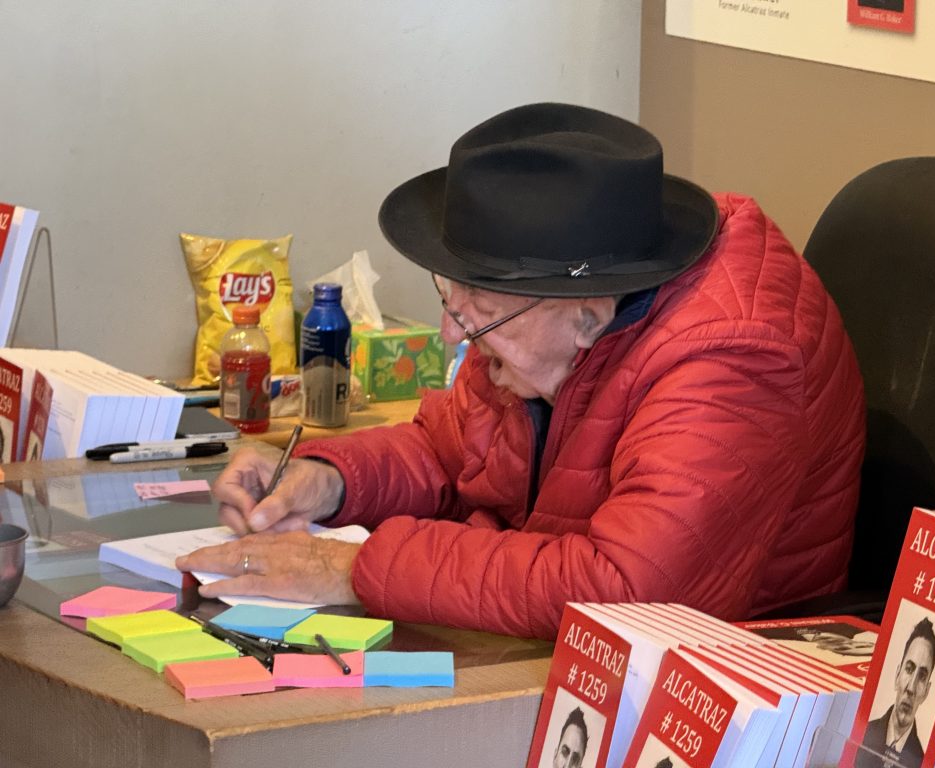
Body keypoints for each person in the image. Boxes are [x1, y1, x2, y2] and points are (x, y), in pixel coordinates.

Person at [177, 102, 866, 639]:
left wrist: (355, 569)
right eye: (452, 293)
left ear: (590, 315)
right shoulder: (538, 322)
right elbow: (454, 451)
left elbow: (631, 588)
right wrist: (328, 479)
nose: (453, 330)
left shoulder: (734, 356)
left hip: (714, 680)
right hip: (554, 636)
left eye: (478, 307)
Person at [856, 617, 935, 768]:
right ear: (897, 675)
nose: (911, 688)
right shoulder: (861, 734)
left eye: (922, 676)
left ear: (926, 691)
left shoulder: (922, 763)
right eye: (909, 669)